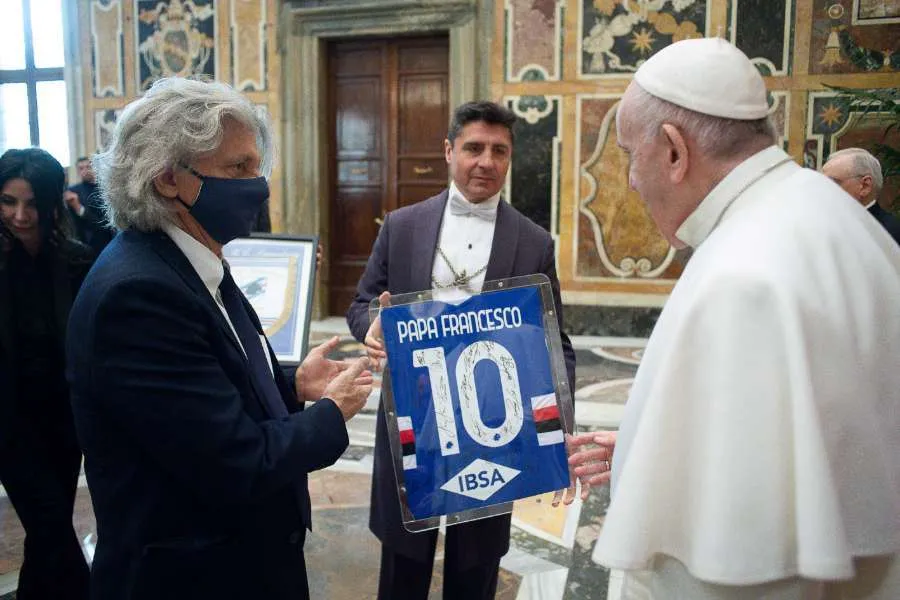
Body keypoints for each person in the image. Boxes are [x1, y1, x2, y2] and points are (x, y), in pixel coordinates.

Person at [568, 38, 900, 598]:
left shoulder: (744, 276)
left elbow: (743, 562)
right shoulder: (827, 215)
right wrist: (666, 444)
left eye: (629, 153)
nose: (628, 178)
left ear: (674, 151)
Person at [66, 77, 373, 600]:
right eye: (237, 169)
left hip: (239, 557)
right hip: (193, 576)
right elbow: (238, 462)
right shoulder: (138, 297)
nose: (259, 185)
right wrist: (331, 413)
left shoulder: (188, 259)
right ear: (167, 179)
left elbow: (205, 383)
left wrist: (289, 384)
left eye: (257, 165)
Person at [347, 101, 577, 600]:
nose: (486, 162)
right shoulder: (402, 225)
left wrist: (557, 433)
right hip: (414, 416)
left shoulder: (533, 241)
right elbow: (364, 301)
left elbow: (554, 340)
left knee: (475, 567)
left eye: (499, 151)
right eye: (473, 148)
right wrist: (372, 326)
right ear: (450, 150)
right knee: (403, 564)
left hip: (492, 426)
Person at [0, 148, 93, 600]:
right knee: (51, 523)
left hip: (63, 421)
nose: (20, 215)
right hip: (9, 424)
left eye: (32, 203)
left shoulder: (74, 262)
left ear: (53, 203)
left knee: (46, 532)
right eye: (8, 202)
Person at [822, 147, 900, 245]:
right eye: (821, 182)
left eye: (832, 182)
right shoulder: (823, 224)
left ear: (865, 186)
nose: (823, 189)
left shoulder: (890, 234)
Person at [63, 156, 115, 255]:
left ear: (94, 168)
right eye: (81, 168)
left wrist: (79, 208)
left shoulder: (103, 190)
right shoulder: (72, 191)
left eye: (88, 167)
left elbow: (103, 221)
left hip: (104, 242)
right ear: (78, 172)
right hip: (82, 244)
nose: (85, 170)